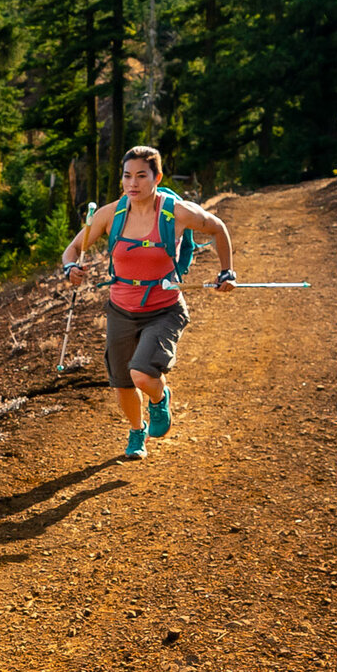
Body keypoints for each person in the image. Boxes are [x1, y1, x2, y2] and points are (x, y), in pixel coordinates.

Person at [57, 145, 236, 460]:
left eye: (141, 175)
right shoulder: (110, 215)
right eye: (127, 176)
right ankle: (136, 432)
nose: (133, 184)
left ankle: (159, 397)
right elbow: (71, 251)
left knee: (142, 373)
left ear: (158, 177)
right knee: (123, 382)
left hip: (164, 310)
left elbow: (217, 227)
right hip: (121, 310)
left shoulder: (176, 212)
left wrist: (227, 271)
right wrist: (71, 269)